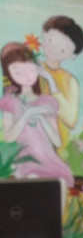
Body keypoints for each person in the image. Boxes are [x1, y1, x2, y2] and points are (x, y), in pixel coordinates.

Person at [0, 42, 73, 188]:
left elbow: (57, 142)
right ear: (9, 74)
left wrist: (41, 119)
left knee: (61, 180)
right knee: (33, 179)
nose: (26, 75)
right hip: (23, 159)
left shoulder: (47, 102)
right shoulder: (9, 102)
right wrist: (27, 114)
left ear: (37, 69)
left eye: (30, 69)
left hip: (48, 158)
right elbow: (9, 137)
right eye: (18, 71)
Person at [39, 15, 83, 155]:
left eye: (63, 48)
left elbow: (71, 121)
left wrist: (51, 82)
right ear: (44, 36)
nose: (54, 48)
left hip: (59, 146)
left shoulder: (70, 81)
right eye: (51, 40)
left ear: (72, 55)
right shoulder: (30, 69)